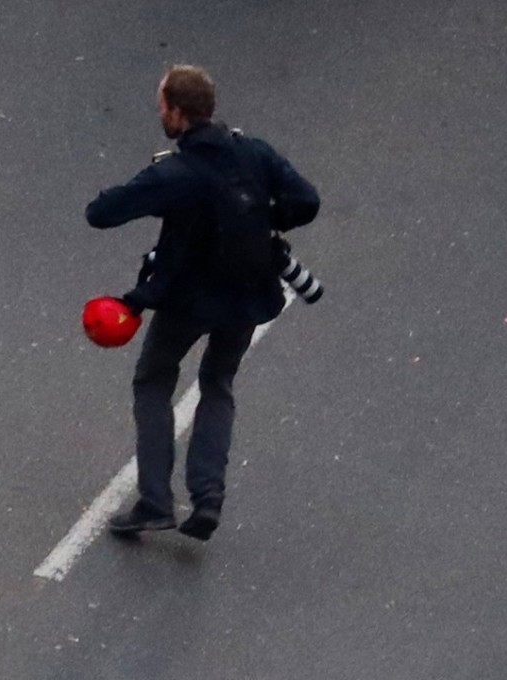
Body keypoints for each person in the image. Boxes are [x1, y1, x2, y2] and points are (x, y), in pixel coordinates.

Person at [85, 65, 320, 541]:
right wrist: (262, 220)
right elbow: (305, 200)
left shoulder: (179, 172)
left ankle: (154, 501)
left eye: (162, 108)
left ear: (177, 112)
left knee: (153, 380)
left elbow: (101, 213)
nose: (161, 115)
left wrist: (152, 185)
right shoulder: (252, 152)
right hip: (248, 295)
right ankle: (207, 497)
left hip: (188, 301)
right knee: (218, 383)